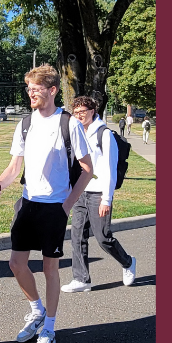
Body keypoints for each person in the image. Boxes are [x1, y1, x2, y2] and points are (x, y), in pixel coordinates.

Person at [0, 64, 94, 343]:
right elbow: (14, 167)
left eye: (36, 89)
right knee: (16, 264)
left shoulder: (68, 124)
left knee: (50, 269)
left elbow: (88, 169)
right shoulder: (25, 124)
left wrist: (66, 205)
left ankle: (49, 328)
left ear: (52, 90)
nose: (31, 94)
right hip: (27, 203)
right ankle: (36, 310)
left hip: (54, 208)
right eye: (29, 89)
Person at [61, 96, 137, 293]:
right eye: (76, 112)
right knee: (77, 235)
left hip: (98, 194)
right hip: (80, 191)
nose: (79, 115)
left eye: (83, 111)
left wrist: (106, 199)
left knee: (103, 237)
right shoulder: (77, 132)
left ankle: (128, 262)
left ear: (92, 111)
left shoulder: (104, 134)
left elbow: (110, 170)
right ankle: (81, 279)